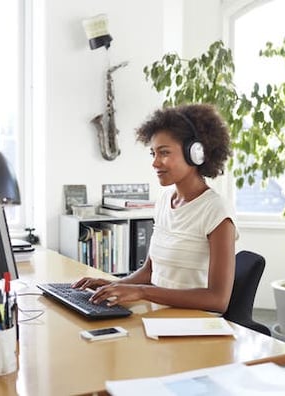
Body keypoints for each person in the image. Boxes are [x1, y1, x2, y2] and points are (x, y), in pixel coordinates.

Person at [72, 103, 238, 313]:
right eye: (153, 154)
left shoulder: (216, 210)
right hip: (159, 316)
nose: (155, 162)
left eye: (164, 153)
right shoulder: (165, 200)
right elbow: (150, 271)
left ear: (195, 153)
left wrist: (142, 292)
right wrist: (110, 285)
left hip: (196, 325)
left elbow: (217, 300)